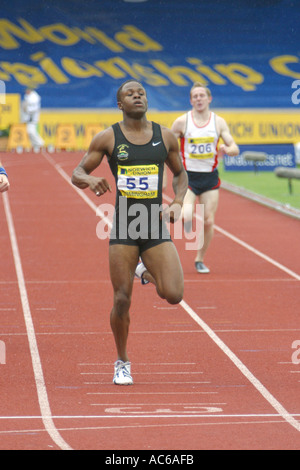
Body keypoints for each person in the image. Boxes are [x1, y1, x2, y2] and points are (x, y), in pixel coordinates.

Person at [72, 80, 188, 385]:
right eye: (129, 94)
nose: (137, 96)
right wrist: (90, 180)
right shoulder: (109, 137)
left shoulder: (165, 136)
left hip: (153, 223)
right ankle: (122, 361)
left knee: (174, 294)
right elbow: (77, 172)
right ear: (120, 104)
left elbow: (180, 174)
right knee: (122, 298)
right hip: (124, 224)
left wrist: (177, 201)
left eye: (141, 93)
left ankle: (144, 269)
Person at [171, 82, 239, 274]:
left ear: (209, 99)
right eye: (195, 96)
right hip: (188, 178)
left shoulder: (218, 122)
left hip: (210, 179)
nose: (199, 99)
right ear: (191, 100)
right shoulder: (182, 121)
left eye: (202, 95)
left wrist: (228, 149)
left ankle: (199, 258)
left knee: (208, 221)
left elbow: (234, 147)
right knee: (186, 216)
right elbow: (168, 143)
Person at [21, 87, 44, 151]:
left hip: (32, 117)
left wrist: (27, 109)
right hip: (28, 117)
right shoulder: (28, 96)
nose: (25, 92)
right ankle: (35, 145)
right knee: (29, 132)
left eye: (27, 90)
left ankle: (40, 143)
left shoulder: (34, 97)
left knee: (31, 131)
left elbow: (35, 108)